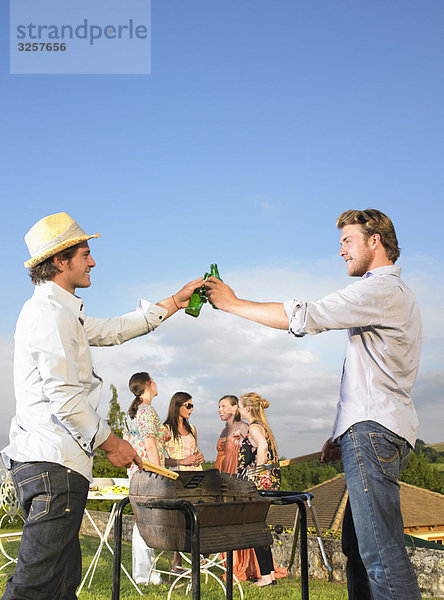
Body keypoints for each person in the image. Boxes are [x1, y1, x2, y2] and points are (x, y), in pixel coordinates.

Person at [205, 209, 422, 600]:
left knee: (381, 553)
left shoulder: (380, 289)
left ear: (375, 241)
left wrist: (232, 303)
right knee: (359, 551)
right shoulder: (392, 295)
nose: (340, 251)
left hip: (373, 434)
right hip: (375, 430)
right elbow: (373, 376)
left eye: (347, 241)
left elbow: (308, 315)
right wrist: (342, 433)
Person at [1, 212, 202, 600]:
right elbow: (63, 396)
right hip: (52, 464)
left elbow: (113, 330)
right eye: (85, 253)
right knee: (35, 585)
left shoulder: (62, 312)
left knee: (60, 585)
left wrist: (175, 302)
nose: (92, 261)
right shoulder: (48, 314)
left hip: (56, 465)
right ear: (60, 261)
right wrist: (112, 443)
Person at [124, 371, 171, 585]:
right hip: (148, 471)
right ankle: (144, 574)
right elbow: (150, 445)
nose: (156, 382)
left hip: (138, 471)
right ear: (148, 384)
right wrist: (161, 474)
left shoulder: (134, 411)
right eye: (153, 380)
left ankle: (146, 572)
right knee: (145, 522)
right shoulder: (146, 411)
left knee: (143, 521)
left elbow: (133, 440)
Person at [237, 392, 282, 587]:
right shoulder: (260, 427)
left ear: (247, 409)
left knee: (254, 527)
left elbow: (262, 448)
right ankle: (269, 574)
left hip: (257, 484)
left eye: (239, 406)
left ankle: (265, 576)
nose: (238, 409)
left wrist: (256, 474)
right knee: (260, 526)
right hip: (266, 482)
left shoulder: (254, 427)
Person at [164, 392, 204, 572]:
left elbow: (195, 451)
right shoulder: (165, 429)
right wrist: (182, 461)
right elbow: (159, 459)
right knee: (180, 520)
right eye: (188, 405)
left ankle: (199, 557)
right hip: (177, 477)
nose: (191, 409)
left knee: (199, 515)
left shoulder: (193, 428)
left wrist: (198, 457)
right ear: (177, 406)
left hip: (196, 476)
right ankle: (177, 564)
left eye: (192, 406)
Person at [215, 395, 248, 474]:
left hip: (234, 473)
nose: (220, 410)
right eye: (219, 407)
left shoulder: (243, 427)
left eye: (223, 407)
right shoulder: (224, 430)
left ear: (235, 408)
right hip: (220, 471)